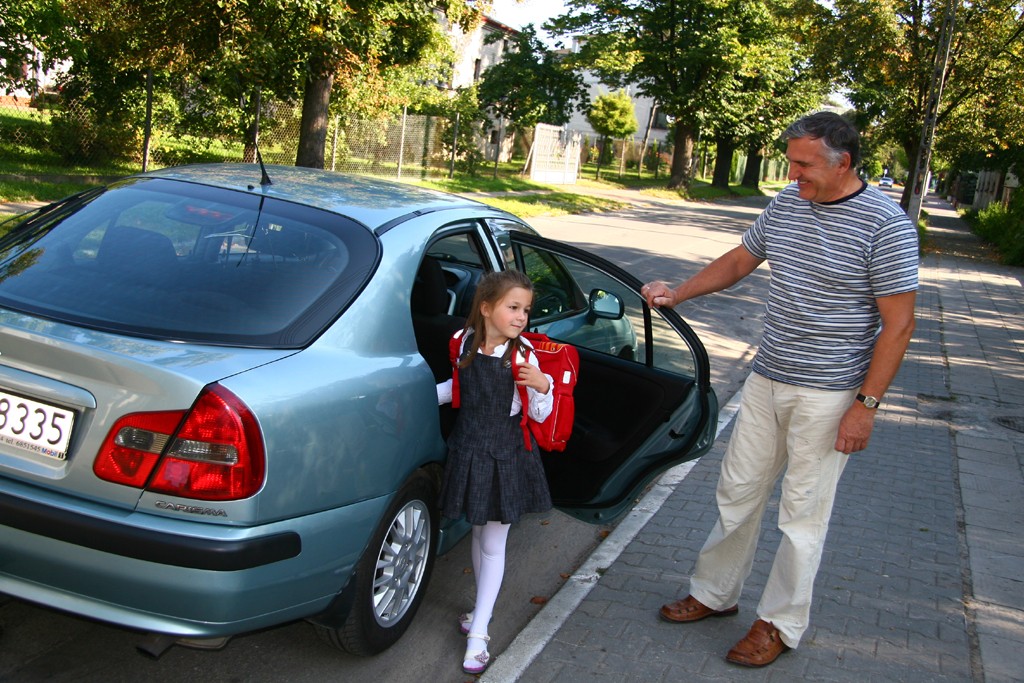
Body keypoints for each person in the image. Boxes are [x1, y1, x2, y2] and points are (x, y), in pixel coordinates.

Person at [642, 111, 918, 667]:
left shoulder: (885, 224)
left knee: (802, 515)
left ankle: (779, 623)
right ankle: (715, 593)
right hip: (767, 378)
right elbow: (743, 258)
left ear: (843, 162)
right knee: (738, 491)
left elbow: (900, 324)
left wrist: (865, 406)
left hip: (830, 394)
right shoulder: (788, 204)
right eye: (791, 161)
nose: (793, 174)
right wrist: (681, 293)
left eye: (803, 164)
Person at [436, 269, 554, 675]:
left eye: (526, 310)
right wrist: (416, 395)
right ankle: (478, 610)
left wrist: (543, 386)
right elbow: (457, 387)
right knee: (477, 527)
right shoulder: (463, 343)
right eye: (513, 307)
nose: (522, 317)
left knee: (493, 544)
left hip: (505, 455)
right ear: (486, 308)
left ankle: (479, 631)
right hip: (469, 450)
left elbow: (539, 415)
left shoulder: (524, 357)